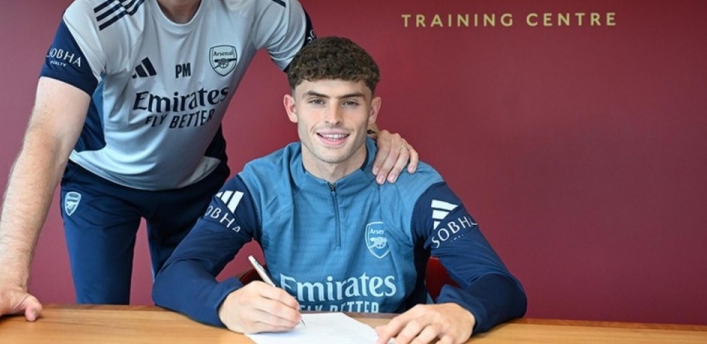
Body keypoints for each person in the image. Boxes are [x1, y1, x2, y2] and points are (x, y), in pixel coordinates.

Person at [0, 0, 418, 332]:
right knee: (100, 319)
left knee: (192, 313)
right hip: (103, 181)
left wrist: (374, 138)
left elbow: (326, 87)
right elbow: (49, 137)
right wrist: (7, 278)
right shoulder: (98, 11)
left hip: (193, 177)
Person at [152, 36, 527, 344]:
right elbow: (174, 275)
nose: (333, 118)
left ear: (372, 112)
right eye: (316, 101)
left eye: (350, 102)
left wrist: (463, 311)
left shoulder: (414, 184)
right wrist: (223, 304)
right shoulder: (259, 185)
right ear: (292, 108)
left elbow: (501, 285)